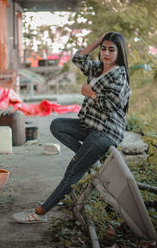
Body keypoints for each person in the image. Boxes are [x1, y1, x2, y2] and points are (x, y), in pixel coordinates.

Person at [13, 32, 131, 223]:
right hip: (91, 126)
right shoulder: (99, 68)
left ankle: (40, 212)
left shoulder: (119, 75)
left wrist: (90, 94)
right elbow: (78, 58)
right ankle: (89, 157)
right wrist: (97, 41)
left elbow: (112, 105)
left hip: (106, 132)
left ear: (120, 52)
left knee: (73, 171)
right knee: (57, 125)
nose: (106, 53)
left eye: (111, 49)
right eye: (104, 49)